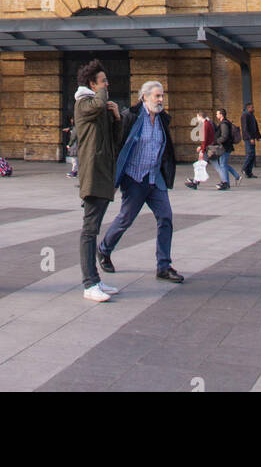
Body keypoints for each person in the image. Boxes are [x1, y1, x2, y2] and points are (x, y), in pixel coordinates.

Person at [97, 80, 183, 284]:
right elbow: (117, 142)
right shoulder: (132, 117)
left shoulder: (163, 119)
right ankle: (104, 249)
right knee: (126, 218)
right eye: (157, 96)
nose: (161, 100)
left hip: (155, 179)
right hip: (135, 179)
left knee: (166, 218)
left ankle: (163, 266)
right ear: (144, 97)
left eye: (162, 96)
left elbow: (165, 148)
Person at [74, 59, 123, 302]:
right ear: (92, 84)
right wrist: (101, 95)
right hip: (92, 175)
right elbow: (97, 103)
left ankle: (95, 280)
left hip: (104, 174)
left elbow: (114, 143)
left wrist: (115, 118)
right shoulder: (83, 103)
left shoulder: (98, 107)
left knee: (93, 229)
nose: (107, 85)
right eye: (103, 81)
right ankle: (89, 283)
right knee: (89, 231)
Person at [185, 108, 215, 190]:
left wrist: (202, 149)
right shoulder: (208, 123)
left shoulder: (205, 125)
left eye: (197, 117)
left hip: (206, 149)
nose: (197, 118)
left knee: (201, 166)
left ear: (199, 116)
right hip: (208, 147)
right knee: (201, 165)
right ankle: (195, 181)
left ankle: (195, 182)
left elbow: (204, 139)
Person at [214, 107, 241, 188]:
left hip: (225, 147)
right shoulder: (226, 123)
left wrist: (216, 141)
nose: (216, 115)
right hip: (226, 147)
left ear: (221, 115)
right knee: (224, 164)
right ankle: (236, 177)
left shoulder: (224, 124)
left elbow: (224, 136)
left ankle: (225, 183)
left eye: (217, 114)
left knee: (222, 164)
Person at [241, 102, 261, 179]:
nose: (253, 109)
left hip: (252, 137)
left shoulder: (251, 115)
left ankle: (249, 172)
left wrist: (258, 136)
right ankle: (244, 168)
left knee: (252, 155)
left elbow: (255, 126)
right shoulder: (245, 115)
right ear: (248, 108)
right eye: (252, 107)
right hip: (248, 138)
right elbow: (245, 128)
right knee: (250, 153)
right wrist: (250, 138)